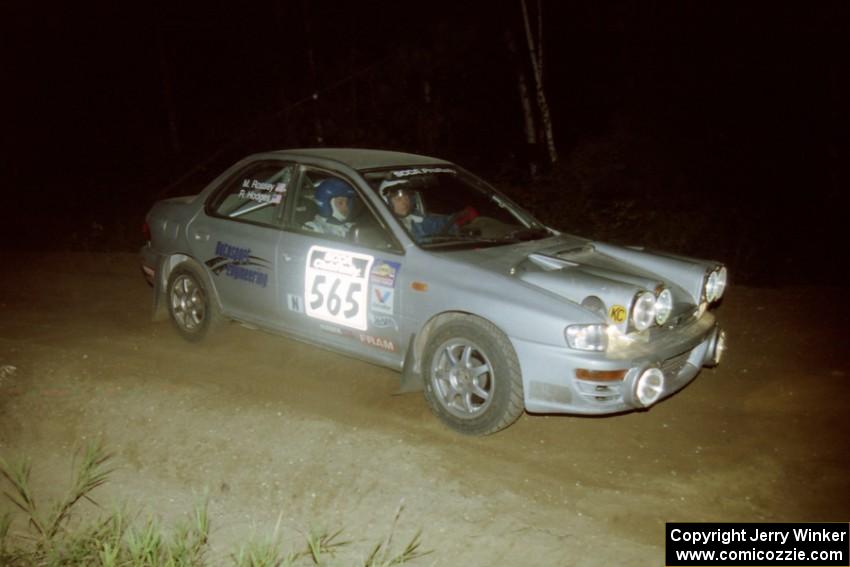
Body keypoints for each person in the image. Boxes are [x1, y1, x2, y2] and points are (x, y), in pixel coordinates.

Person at [380, 179, 454, 242]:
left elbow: (444, 223)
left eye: (407, 198)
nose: (404, 203)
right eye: (398, 199)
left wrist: (458, 221)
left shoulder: (419, 220)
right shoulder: (382, 226)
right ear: (386, 202)